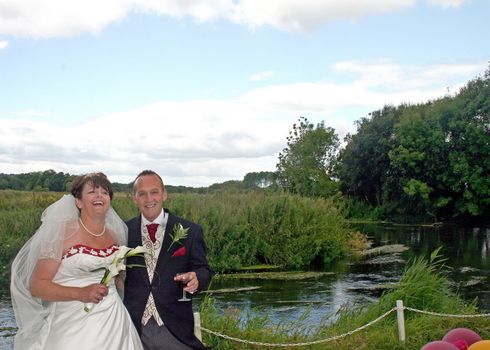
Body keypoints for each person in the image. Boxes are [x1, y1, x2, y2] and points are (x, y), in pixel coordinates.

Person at [10, 172, 143, 350]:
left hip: (115, 322)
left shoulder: (116, 235)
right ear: (78, 202)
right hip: (72, 325)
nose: (99, 195)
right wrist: (81, 293)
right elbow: (37, 286)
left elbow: (119, 278)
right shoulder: (62, 234)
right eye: (92, 192)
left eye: (104, 192)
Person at [124, 170, 213, 350]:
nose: (149, 199)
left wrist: (197, 278)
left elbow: (204, 270)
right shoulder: (123, 231)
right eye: (142, 193)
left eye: (154, 192)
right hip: (133, 330)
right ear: (134, 198)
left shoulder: (190, 231)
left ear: (164, 194)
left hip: (175, 329)